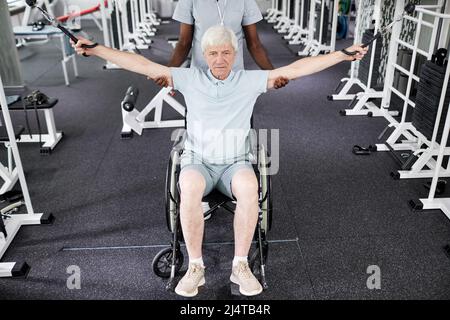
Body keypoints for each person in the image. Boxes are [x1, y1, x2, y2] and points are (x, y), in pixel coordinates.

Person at [72, 26, 367, 297]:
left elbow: (297, 69)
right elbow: (140, 63)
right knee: (187, 186)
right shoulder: (188, 78)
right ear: (204, 55)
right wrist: (96, 48)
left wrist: (342, 54)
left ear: (234, 54)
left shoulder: (249, 81)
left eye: (226, 52)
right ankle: (195, 267)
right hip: (198, 161)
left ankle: (240, 266)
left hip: (234, 162)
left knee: (250, 186)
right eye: (213, 53)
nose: (220, 59)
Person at [155, 0, 288, 89]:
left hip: (234, 74)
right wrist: (167, 73)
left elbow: (254, 44)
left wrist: (274, 74)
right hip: (201, 75)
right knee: (201, 125)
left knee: (237, 125)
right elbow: (184, 43)